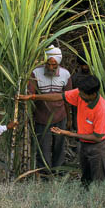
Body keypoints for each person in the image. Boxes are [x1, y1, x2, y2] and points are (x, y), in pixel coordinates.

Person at [17, 75, 105, 186]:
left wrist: (69, 133)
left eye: (82, 94)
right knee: (86, 179)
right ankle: (85, 200)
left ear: (93, 94)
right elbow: (59, 97)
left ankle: (101, 202)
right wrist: (32, 97)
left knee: (99, 181)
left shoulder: (102, 110)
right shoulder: (80, 93)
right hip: (84, 145)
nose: (78, 95)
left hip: (97, 148)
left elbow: (97, 137)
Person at [27, 45, 72, 174]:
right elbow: (30, 94)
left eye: (54, 65)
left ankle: (58, 171)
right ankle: (45, 174)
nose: (51, 67)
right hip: (42, 118)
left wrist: (69, 119)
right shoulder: (35, 73)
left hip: (60, 117)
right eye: (48, 64)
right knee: (43, 147)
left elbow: (68, 99)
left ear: (58, 63)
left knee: (59, 145)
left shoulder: (65, 74)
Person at [70, 50, 91, 131]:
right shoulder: (75, 78)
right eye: (82, 65)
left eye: (86, 65)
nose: (84, 67)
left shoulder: (96, 76)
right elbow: (72, 99)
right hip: (78, 110)